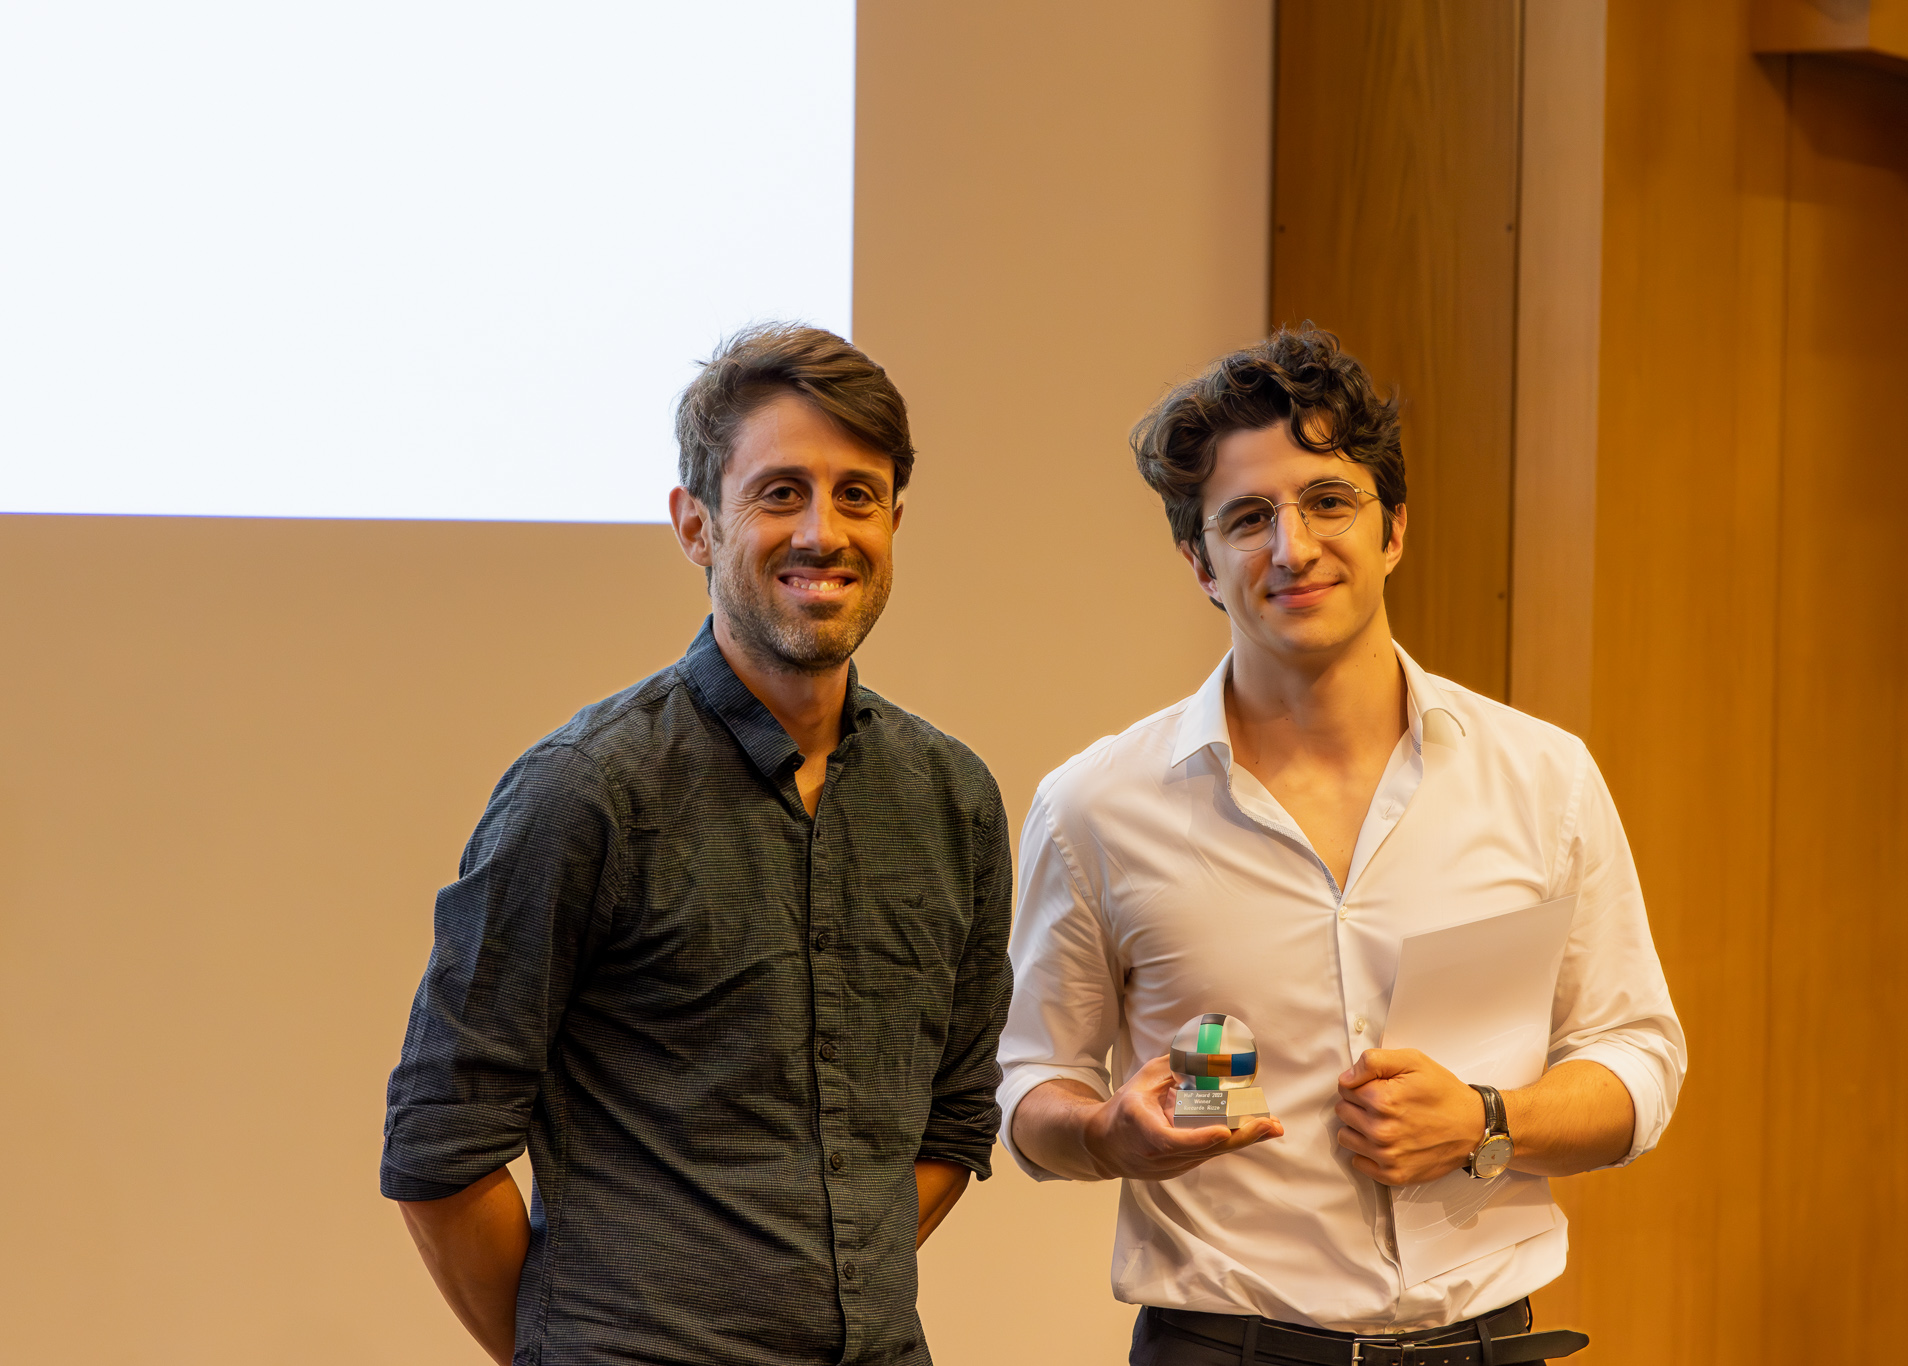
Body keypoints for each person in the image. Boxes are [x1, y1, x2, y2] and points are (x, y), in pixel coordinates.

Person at [998, 328, 1685, 1365]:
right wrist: (1105, 1134)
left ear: (1392, 528)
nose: (1292, 547)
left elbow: (1636, 1056)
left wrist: (1485, 1120)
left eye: (1328, 501)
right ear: (1198, 562)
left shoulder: (1542, 777)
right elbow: (1028, 1079)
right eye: (1245, 518)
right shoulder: (1096, 805)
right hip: (1219, 1346)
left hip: (1485, 1343)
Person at [380, 323, 1013, 1366]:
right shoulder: (582, 792)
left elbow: (952, 1119)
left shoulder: (953, 800)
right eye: (778, 493)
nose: (823, 532)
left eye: (856, 495)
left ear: (894, 519)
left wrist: (817, 1286)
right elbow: (439, 1150)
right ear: (695, 525)